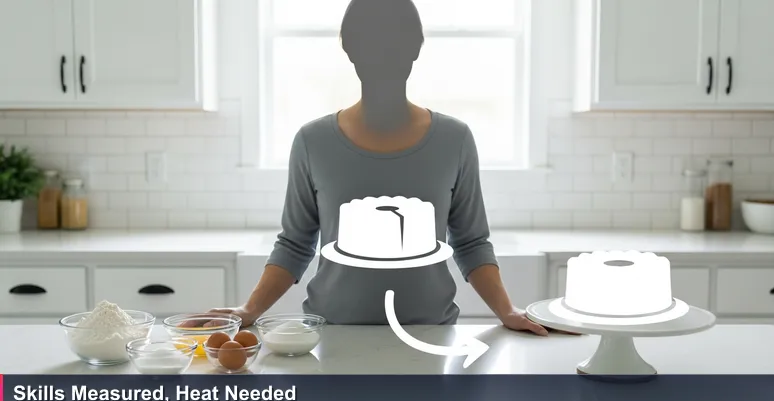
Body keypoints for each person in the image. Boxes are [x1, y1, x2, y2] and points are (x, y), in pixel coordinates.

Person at [203, 0, 555, 335]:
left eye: (396, 39)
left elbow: (471, 242)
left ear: (416, 47)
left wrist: (507, 312)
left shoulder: (455, 139)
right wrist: (249, 311)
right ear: (349, 48)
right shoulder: (313, 141)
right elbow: (295, 244)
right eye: (371, 40)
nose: (385, 52)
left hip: (431, 333)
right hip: (334, 334)